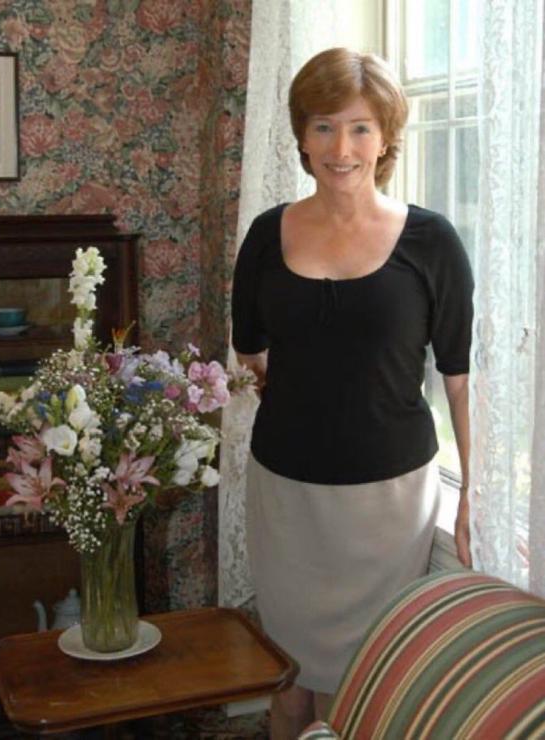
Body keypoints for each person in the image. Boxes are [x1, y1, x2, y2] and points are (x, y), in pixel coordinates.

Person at [231, 48, 473, 740]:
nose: (342, 148)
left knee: (356, 694)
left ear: (387, 136)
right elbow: (247, 350)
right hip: (286, 492)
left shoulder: (432, 241)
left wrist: (473, 493)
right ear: (301, 136)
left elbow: (456, 374)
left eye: (361, 127)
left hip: (388, 503)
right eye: (324, 126)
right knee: (288, 684)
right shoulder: (265, 235)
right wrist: (301, 403)